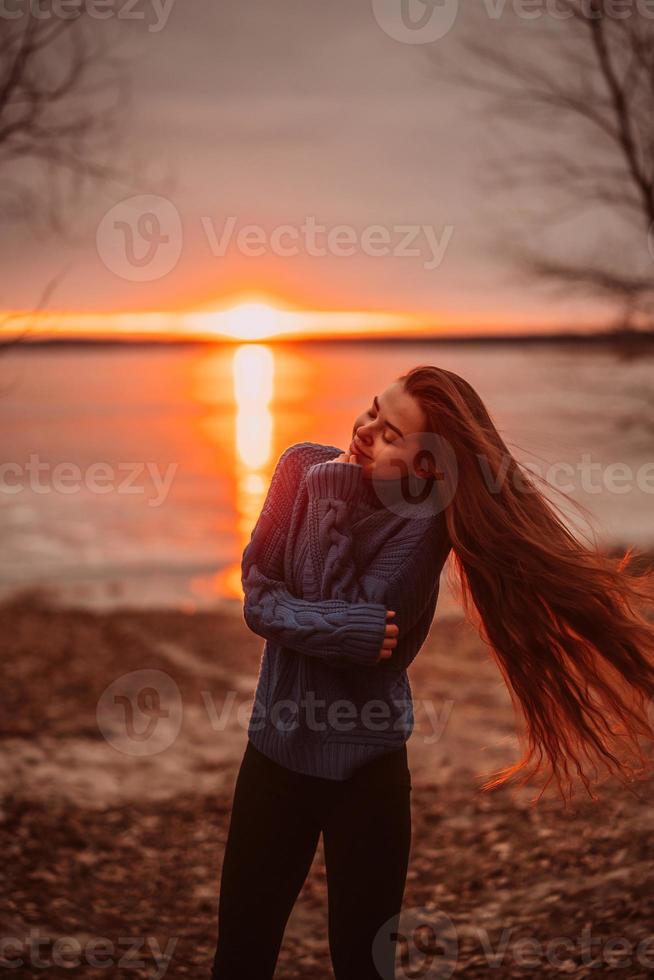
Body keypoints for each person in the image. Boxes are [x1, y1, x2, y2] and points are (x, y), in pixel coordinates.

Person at [211, 364, 654, 979]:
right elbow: (259, 600)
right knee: (240, 958)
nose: (366, 430)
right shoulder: (296, 468)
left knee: (363, 966)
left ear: (424, 468)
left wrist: (337, 513)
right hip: (274, 756)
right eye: (372, 410)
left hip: (368, 776)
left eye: (391, 433)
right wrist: (354, 628)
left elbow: (339, 616)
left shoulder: (421, 526)